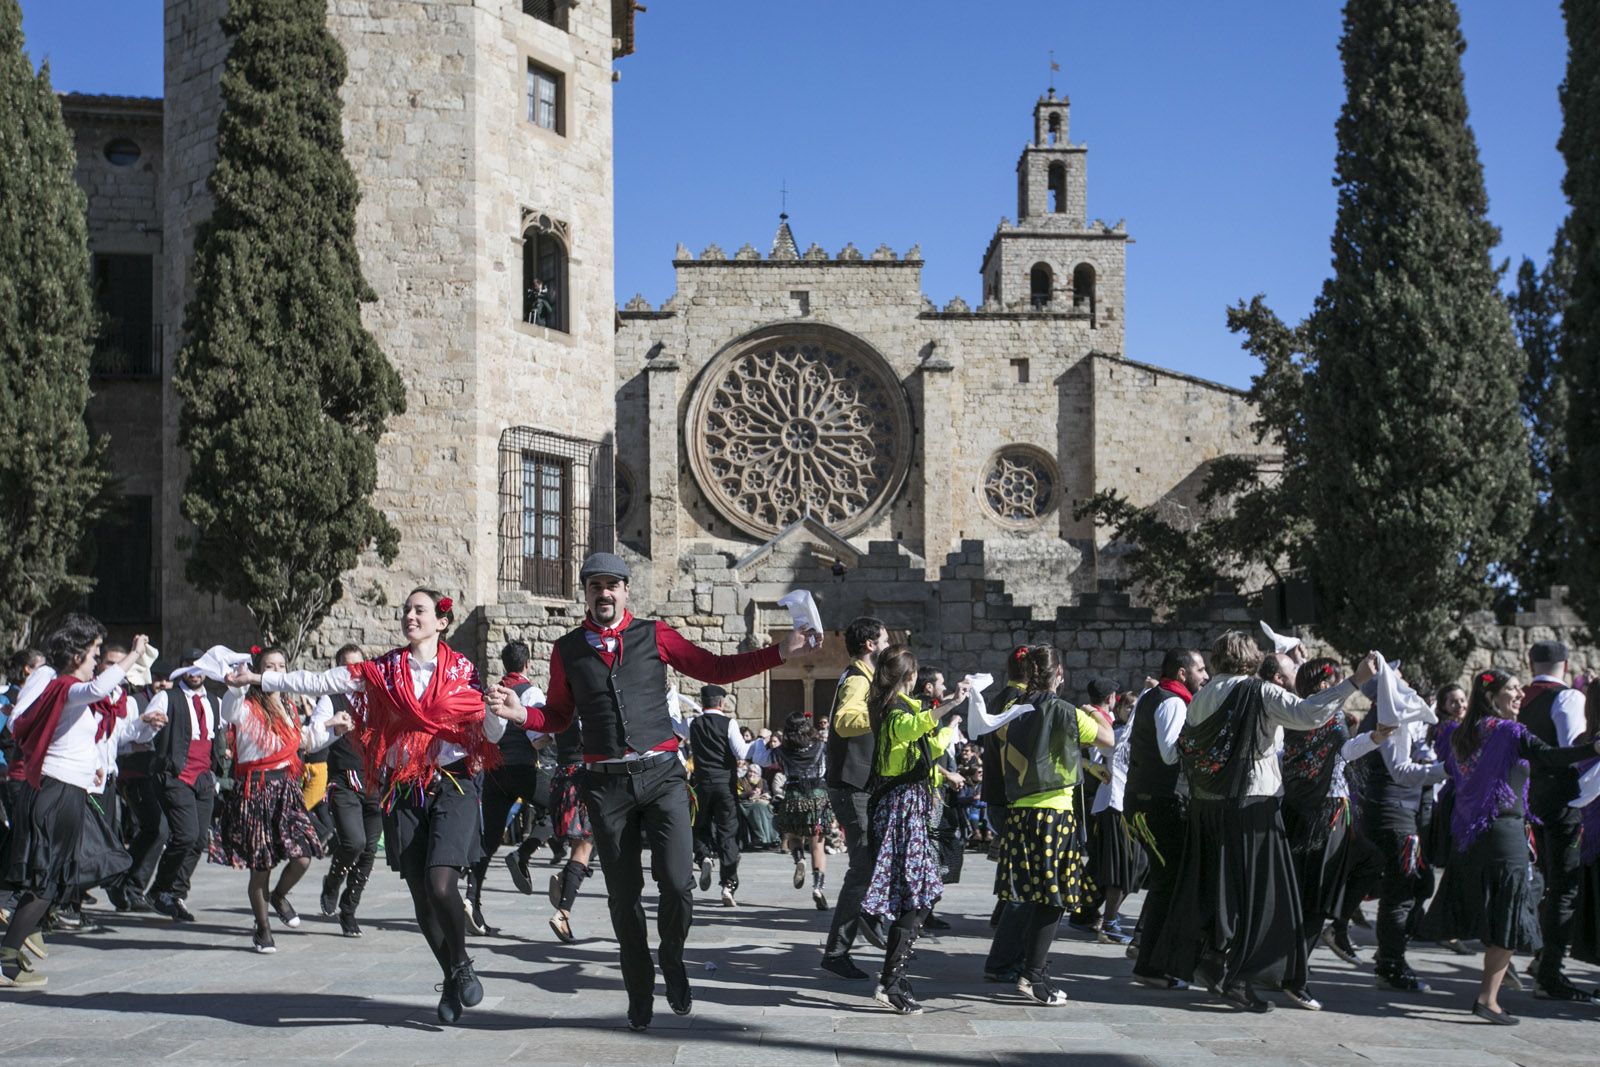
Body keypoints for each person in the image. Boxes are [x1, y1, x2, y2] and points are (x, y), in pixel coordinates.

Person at [491, 553, 821, 1032]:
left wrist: (780, 653)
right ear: (586, 593)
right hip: (606, 785)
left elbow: (715, 667)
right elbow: (560, 716)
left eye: (613, 585)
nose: (604, 593)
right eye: (595, 585)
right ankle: (639, 988)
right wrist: (524, 717)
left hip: (664, 776)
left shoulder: (654, 634)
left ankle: (672, 956)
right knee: (624, 898)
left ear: (626, 590)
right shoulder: (566, 651)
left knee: (678, 884)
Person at [230, 588, 519, 1024]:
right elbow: (320, 681)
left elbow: (490, 733)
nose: (409, 616)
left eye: (419, 610)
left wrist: (499, 713)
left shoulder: (463, 671)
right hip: (404, 790)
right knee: (422, 898)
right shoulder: (385, 669)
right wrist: (258, 680)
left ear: (442, 622)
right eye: (406, 610)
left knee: (442, 885)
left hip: (452, 786)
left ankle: (459, 963)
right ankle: (455, 974)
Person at [1149, 630, 1375, 1013]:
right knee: (1262, 898)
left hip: (1208, 805)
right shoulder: (1259, 691)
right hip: (1252, 806)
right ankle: (1238, 979)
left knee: (1220, 893)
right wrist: (1354, 681)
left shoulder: (1203, 695)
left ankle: (1213, 961)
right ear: (1251, 657)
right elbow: (1308, 715)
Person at [1423, 668, 1600, 1025]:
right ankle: (1488, 999)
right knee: (1509, 912)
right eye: (1513, 690)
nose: (1520, 695)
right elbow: (1550, 755)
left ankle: (1495, 988)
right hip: (1504, 834)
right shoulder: (1508, 732)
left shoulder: (1462, 735)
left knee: (1496, 910)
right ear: (1491, 698)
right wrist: (1594, 748)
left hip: (1471, 835)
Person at [1, 617, 151, 991]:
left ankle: (23, 932)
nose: (98, 656)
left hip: (69, 790)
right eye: (95, 650)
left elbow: (79, 740)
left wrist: (94, 770)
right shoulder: (66, 686)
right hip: (56, 794)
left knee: (57, 876)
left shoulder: (72, 690)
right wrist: (134, 654)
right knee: (47, 880)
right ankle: (8, 954)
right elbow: (101, 685)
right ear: (77, 653)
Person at [992, 646, 1115, 1005]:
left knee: (1031, 895)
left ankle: (1033, 969)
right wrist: (1093, 711)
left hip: (1019, 811)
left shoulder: (1014, 711)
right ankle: (1034, 975)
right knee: (1052, 898)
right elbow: (1108, 739)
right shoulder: (1066, 711)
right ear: (1058, 674)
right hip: (1054, 811)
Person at [213, 647, 344, 953]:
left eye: (281, 666)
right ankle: (262, 929)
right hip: (256, 791)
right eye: (268, 666)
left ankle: (279, 895)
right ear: (257, 671)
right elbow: (228, 712)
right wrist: (234, 687)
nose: (275, 671)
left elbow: (303, 743)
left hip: (286, 789)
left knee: (303, 855)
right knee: (262, 866)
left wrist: (334, 728)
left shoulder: (288, 706)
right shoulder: (245, 706)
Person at [859, 646, 955, 1015]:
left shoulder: (898, 708)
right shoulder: (894, 712)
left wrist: (948, 728)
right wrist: (952, 704)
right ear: (909, 677)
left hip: (908, 807)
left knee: (919, 895)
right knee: (917, 896)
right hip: (900, 811)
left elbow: (926, 740)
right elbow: (916, 727)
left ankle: (893, 976)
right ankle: (891, 980)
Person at [1277, 657, 1387, 967]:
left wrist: (1375, 737)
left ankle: (1335, 927)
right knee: (1314, 895)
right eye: (1329, 681)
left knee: (1368, 863)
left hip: (1332, 810)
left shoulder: (1324, 715)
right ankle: (1293, 969)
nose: (1331, 685)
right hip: (1320, 813)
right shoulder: (1309, 713)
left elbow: (1344, 754)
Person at [1356, 657, 1448, 994]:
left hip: (1392, 808)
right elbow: (1401, 771)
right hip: (1393, 810)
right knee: (1401, 891)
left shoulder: (1393, 711)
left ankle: (1389, 952)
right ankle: (1390, 964)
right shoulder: (1391, 714)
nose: (1403, 675)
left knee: (1416, 885)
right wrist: (1447, 770)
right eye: (1396, 675)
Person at [1124, 647, 1207, 991]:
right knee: (1166, 884)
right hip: (1160, 805)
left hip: (1151, 802)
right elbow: (1170, 753)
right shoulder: (1173, 702)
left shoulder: (1153, 696)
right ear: (1183, 673)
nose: (1206, 675)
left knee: (1166, 883)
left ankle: (1153, 959)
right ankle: (1150, 966)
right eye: (1200, 669)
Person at [1517, 640, 1595, 1002]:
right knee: (1565, 888)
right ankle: (1551, 973)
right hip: (1565, 802)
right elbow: (1569, 750)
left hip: (1533, 800)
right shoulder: (1567, 698)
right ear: (1565, 664)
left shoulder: (1523, 698)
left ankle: (1541, 959)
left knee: (1550, 883)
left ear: (1530, 662)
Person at [820, 616, 892, 980]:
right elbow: (845, 721)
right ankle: (838, 950)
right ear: (869, 644)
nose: (889, 644)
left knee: (872, 861)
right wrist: (883, 712)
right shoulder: (856, 681)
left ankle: (868, 920)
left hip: (860, 785)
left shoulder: (866, 679)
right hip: (851, 787)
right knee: (863, 865)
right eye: (885, 638)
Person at [466, 640, 548, 936]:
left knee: (489, 840)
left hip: (494, 772)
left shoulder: (494, 692)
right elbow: (537, 738)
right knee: (561, 804)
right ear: (528, 663)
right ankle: (523, 853)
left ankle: (471, 901)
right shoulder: (532, 692)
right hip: (523, 769)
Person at [143, 650, 225, 922]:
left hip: (203, 777)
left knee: (200, 839)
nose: (194, 672)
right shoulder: (167, 697)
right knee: (186, 834)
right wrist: (150, 720)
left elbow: (221, 732)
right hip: (175, 774)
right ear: (180, 671)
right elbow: (148, 720)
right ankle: (159, 890)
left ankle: (173, 893)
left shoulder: (214, 701)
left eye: (199, 667)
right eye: (188, 666)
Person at [314, 644, 382, 938]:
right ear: (338, 670)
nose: (354, 672)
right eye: (348, 667)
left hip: (375, 784)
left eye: (359, 666)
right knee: (353, 842)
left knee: (368, 850)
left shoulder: (378, 699)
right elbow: (315, 733)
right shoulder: (331, 700)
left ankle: (349, 909)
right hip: (343, 781)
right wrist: (331, 724)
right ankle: (332, 882)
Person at [981, 647, 1033, 984]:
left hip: (998, 798)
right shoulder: (1021, 704)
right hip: (1014, 799)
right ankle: (1003, 961)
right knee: (1024, 885)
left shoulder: (999, 698)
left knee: (1019, 876)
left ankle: (1011, 951)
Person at [1086, 681, 1145, 947]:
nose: (1133, 712)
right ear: (1118, 705)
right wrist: (1146, 696)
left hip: (1123, 804)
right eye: (1129, 707)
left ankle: (1090, 913)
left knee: (1133, 864)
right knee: (1120, 867)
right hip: (1114, 804)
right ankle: (1108, 921)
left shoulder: (1127, 733)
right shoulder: (1118, 733)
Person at [689, 684, 751, 906]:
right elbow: (741, 752)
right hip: (725, 785)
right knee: (728, 833)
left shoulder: (693, 723)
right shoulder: (729, 723)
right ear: (722, 703)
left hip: (702, 784)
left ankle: (704, 856)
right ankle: (728, 885)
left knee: (699, 826)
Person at [772, 709, 831, 910]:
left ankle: (799, 859)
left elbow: (763, 758)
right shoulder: (821, 747)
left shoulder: (781, 751)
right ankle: (818, 886)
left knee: (794, 835)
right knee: (818, 843)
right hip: (818, 797)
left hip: (794, 796)